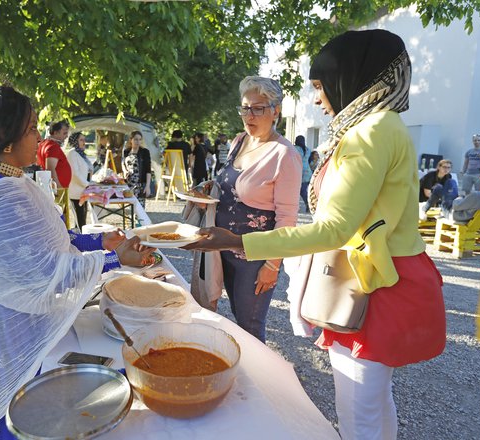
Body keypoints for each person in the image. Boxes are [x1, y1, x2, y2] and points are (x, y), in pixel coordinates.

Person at [187, 30, 446, 439]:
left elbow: (334, 228)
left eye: (321, 87)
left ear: (351, 79)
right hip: (383, 276)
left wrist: (238, 241)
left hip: (370, 287)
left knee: (358, 412)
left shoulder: (369, 132)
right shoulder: (385, 124)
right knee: (377, 402)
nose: (317, 99)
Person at [0, 86, 153, 440]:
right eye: (32, 128)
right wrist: (113, 258)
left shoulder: (11, 180)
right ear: (5, 137)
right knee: (16, 423)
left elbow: (47, 241)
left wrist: (98, 241)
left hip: (14, 316)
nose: (39, 136)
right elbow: (43, 273)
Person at [200, 75, 301, 342]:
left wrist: (272, 265)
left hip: (254, 260)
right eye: (245, 107)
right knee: (233, 315)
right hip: (223, 249)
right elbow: (231, 184)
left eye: (258, 108)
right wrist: (210, 187)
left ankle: (262, 382)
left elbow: (287, 217)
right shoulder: (238, 141)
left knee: (250, 326)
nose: (249, 115)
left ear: (275, 110)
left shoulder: (285, 155)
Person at [65, 131, 93, 228]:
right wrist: (87, 184)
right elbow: (75, 173)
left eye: (84, 140)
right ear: (75, 141)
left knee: (82, 219)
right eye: (81, 140)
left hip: (83, 191)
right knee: (80, 219)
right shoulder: (72, 154)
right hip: (76, 192)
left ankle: (81, 238)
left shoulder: (81, 154)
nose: (84, 142)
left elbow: (88, 169)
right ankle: (80, 239)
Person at [37, 120, 71, 188]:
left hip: (47, 186)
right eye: (64, 133)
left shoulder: (44, 143)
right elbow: (50, 169)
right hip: (56, 190)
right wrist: (58, 189)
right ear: (55, 133)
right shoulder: (53, 147)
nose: (67, 136)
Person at [122, 130, 152, 206]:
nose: (137, 141)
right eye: (135, 139)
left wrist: (148, 186)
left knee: (140, 208)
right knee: (130, 206)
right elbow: (123, 163)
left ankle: (139, 218)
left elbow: (148, 170)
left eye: (139, 139)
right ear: (131, 140)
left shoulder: (145, 152)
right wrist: (125, 171)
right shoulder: (126, 151)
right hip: (129, 184)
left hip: (140, 185)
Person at [294, 135, 313, 213]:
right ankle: (308, 205)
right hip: (308, 172)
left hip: (299, 171)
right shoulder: (308, 149)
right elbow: (310, 160)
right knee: (303, 190)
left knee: (300, 191)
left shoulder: (295, 148)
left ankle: (308, 205)